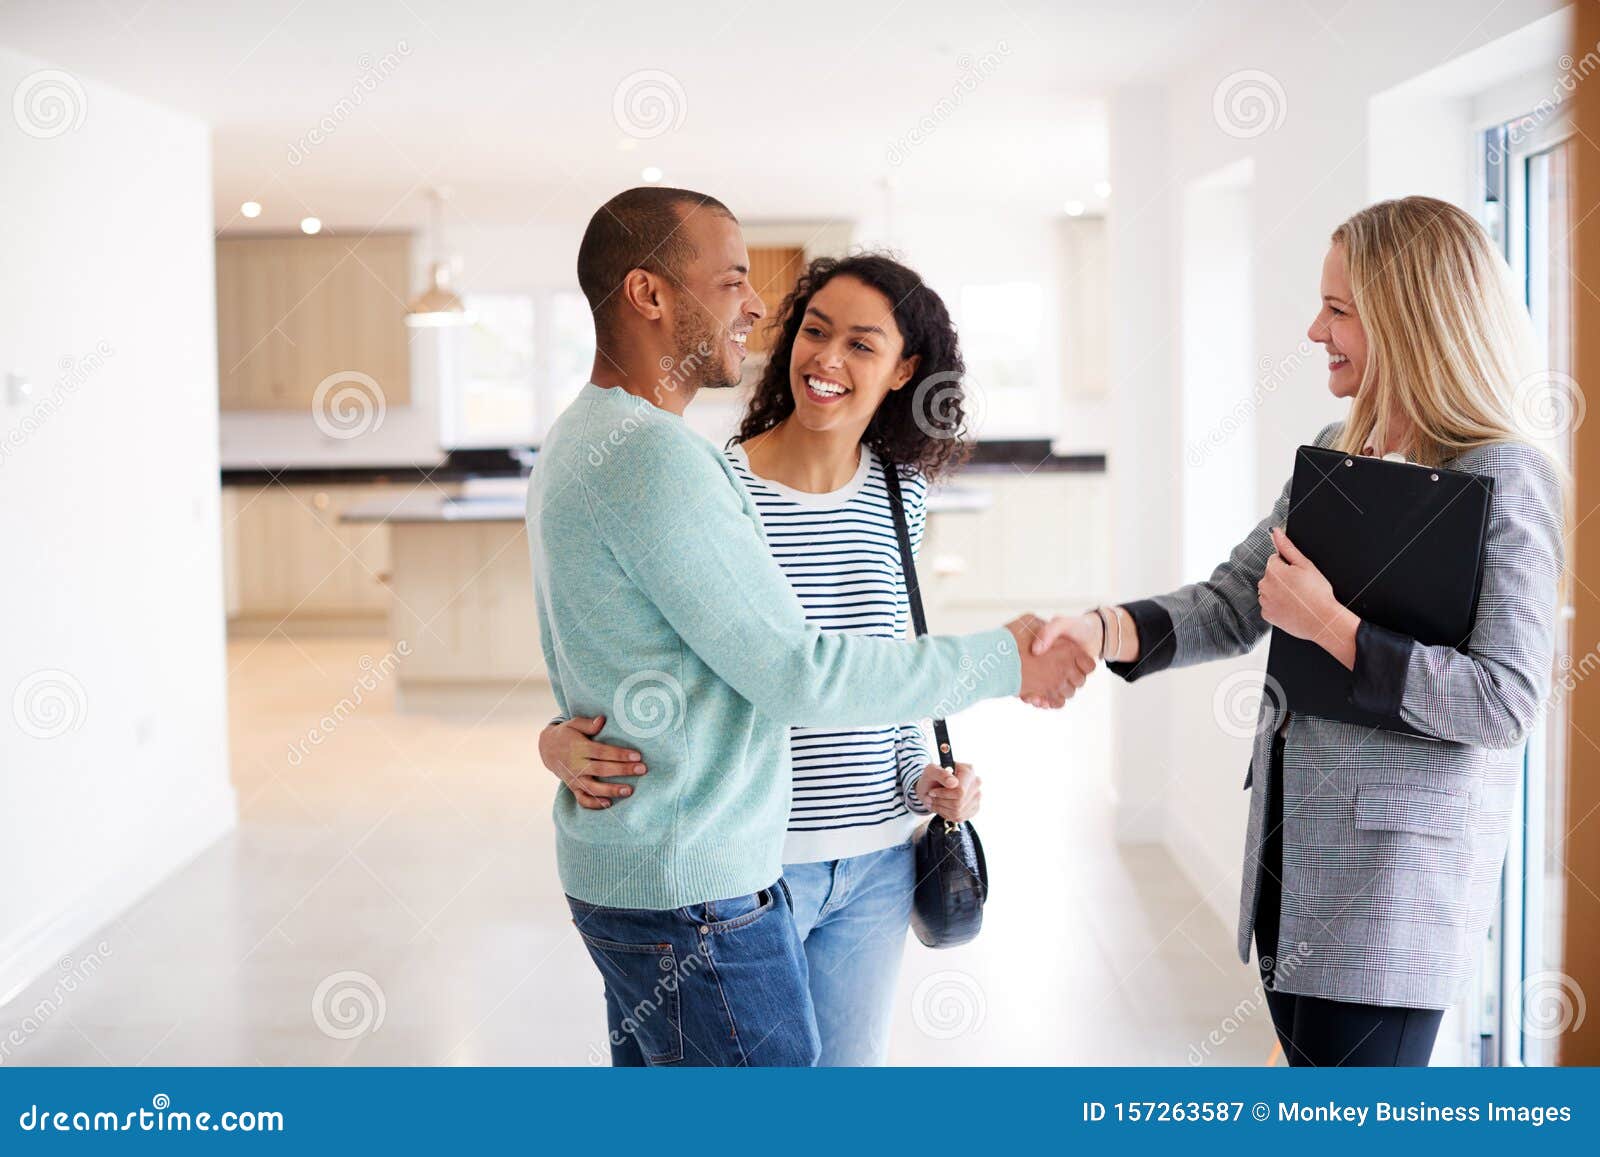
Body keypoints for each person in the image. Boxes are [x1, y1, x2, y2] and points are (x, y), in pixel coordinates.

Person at [527, 187, 1096, 1067]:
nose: (758, 308)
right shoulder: (670, 462)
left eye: (862, 341)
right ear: (649, 295)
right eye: (733, 282)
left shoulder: (600, 438)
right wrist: (1005, 662)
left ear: (904, 368)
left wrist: (924, 772)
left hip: (796, 858)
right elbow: (796, 671)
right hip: (716, 877)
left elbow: (854, 651)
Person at [1034, 195, 1564, 1066]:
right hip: (1295, 864)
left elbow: (1505, 703)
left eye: (1340, 309)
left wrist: (1332, 625)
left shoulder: (1506, 475)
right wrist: (1100, 629)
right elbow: (1236, 599)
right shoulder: (1339, 444)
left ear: (1410, 318)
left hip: (1393, 895)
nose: (1315, 329)